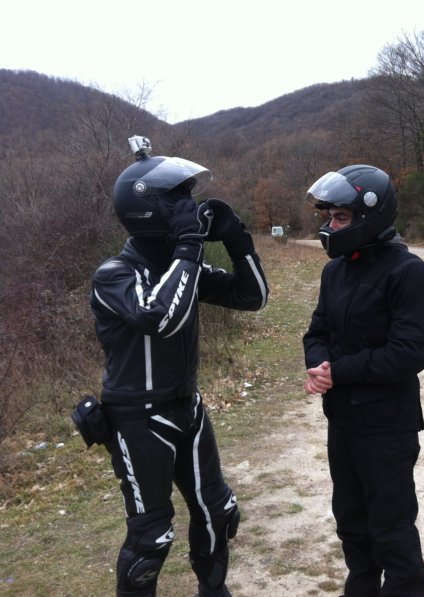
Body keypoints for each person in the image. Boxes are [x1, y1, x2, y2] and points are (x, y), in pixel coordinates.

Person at [90, 136, 268, 596]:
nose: (188, 207)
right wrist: (188, 246)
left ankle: (214, 590)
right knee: (152, 538)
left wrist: (236, 238)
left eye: (188, 198)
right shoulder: (114, 275)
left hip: (188, 407)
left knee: (218, 512)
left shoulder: (181, 270)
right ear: (145, 210)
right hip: (138, 418)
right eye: (177, 200)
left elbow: (253, 297)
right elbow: (159, 318)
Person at [302, 164, 424, 596]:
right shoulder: (335, 271)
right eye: (330, 217)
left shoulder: (408, 271)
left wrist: (337, 371)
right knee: (352, 525)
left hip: (387, 426)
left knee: (391, 531)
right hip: (342, 421)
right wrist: (318, 364)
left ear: (369, 216)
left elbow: (409, 353)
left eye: (341, 218)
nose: (331, 226)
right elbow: (317, 332)